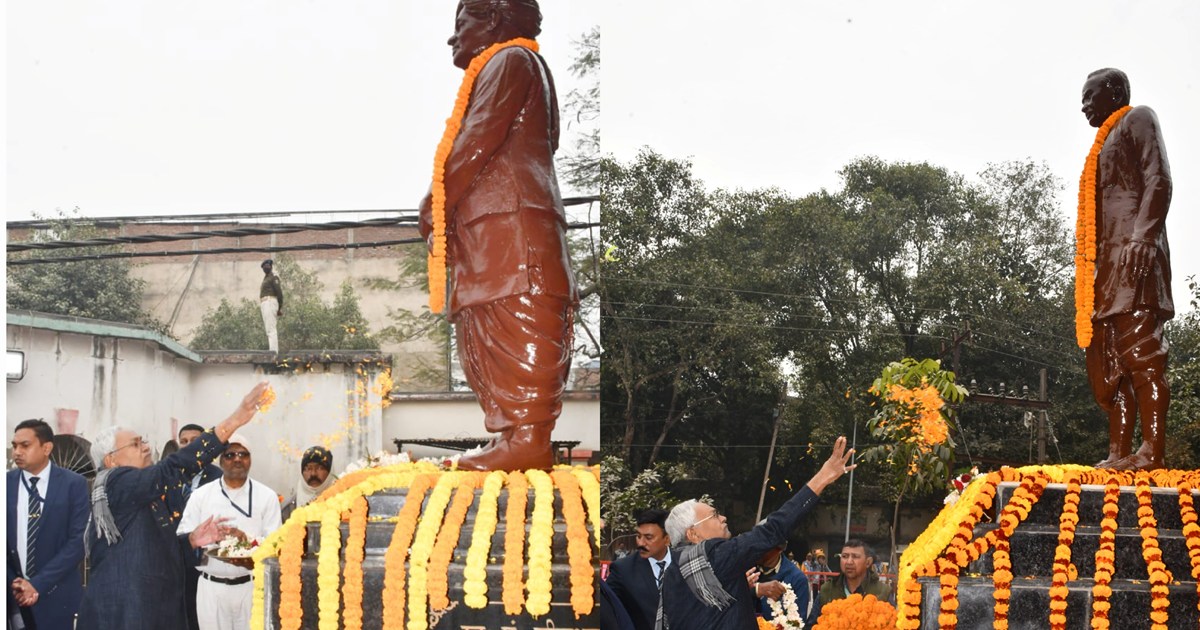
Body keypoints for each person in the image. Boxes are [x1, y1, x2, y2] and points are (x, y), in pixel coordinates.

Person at [418, 0, 578, 471]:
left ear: (491, 19)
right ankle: (513, 434)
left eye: (461, 24)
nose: (453, 38)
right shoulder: (509, 66)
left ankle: (527, 436)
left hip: (514, 231)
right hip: (493, 234)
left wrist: (435, 203)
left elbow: (477, 140)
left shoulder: (512, 60)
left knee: (517, 314)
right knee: (486, 319)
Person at [75, 381, 272, 630]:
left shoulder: (138, 489)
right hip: (127, 612)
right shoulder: (116, 482)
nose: (145, 446)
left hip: (151, 608)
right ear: (111, 459)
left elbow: (152, 548)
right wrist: (234, 420)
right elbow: (172, 469)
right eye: (135, 444)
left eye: (143, 441)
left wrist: (190, 540)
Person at [1077, 68, 1174, 471]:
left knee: (1141, 355)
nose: (1083, 106)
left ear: (1114, 92)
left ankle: (1151, 450)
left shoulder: (1138, 118)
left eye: (1089, 96)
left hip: (1135, 259)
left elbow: (1159, 180)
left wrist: (1143, 238)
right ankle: (1119, 452)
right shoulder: (1099, 148)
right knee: (1110, 364)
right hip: (1105, 272)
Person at [658, 436, 855, 629]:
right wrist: (823, 477)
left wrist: (747, 588)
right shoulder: (714, 556)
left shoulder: (671, 570)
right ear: (693, 534)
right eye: (714, 515)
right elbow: (771, 530)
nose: (723, 518)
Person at [177, 433, 282, 630]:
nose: (237, 459)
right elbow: (183, 538)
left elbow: (275, 545)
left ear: (250, 459)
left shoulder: (267, 496)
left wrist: (246, 542)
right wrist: (203, 538)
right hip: (211, 588)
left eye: (243, 454)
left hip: (252, 587)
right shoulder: (201, 496)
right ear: (220, 460)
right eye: (230, 454)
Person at [6, 419, 89, 630]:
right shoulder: (6, 484)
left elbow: (78, 542)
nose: (17, 452)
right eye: (15, 446)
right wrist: (15, 584)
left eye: (25, 445)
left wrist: (37, 584)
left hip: (58, 595)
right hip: (13, 598)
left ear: (47, 448)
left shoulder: (74, 484)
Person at [606, 509, 672, 630]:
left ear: (667, 539)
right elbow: (607, 609)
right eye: (638, 536)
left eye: (648, 537)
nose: (641, 543)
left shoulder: (684, 563)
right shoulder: (623, 570)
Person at [807, 539, 892, 625]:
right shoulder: (828, 590)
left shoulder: (883, 592)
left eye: (855, 557)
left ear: (868, 562)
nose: (849, 562)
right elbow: (810, 626)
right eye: (845, 556)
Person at [753, 538, 811, 622]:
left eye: (763, 546)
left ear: (779, 549)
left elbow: (797, 624)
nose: (757, 550)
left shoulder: (797, 579)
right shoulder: (745, 569)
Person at [281, 445, 338, 522]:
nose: (313, 474)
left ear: (330, 471)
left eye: (319, 468)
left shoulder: (346, 503)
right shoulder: (288, 509)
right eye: (308, 469)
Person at [259, 259, 284, 353]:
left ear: (271, 267)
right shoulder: (266, 278)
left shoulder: (274, 277)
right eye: (264, 266)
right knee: (268, 329)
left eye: (268, 265)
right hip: (265, 303)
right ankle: (272, 350)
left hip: (270, 301)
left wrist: (279, 307)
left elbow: (279, 293)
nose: (266, 267)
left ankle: (273, 352)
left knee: (271, 329)